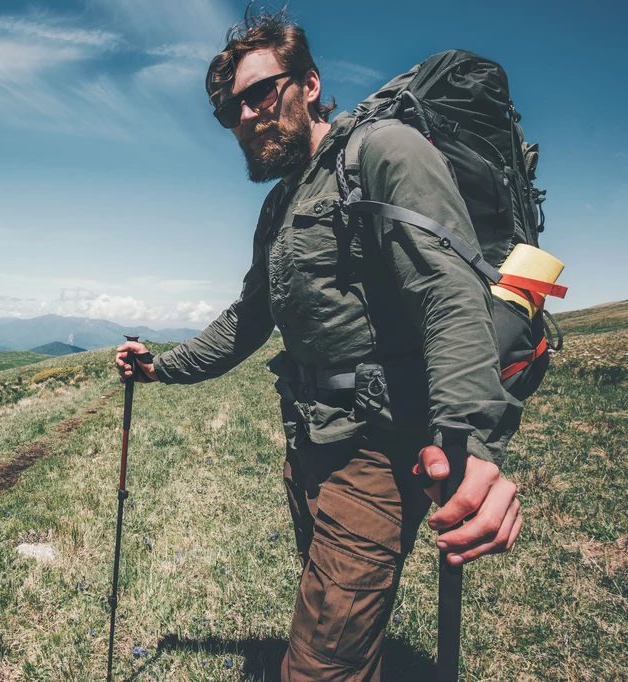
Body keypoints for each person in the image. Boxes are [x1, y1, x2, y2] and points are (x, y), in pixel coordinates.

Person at [115, 9, 525, 682]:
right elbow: (247, 321)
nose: (246, 116)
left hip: (377, 452)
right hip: (310, 442)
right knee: (330, 604)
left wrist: (472, 440)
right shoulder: (280, 206)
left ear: (308, 82)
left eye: (259, 93)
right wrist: (160, 369)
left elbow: (446, 292)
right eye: (230, 111)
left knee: (316, 667)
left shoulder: (383, 153)